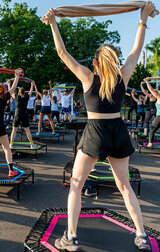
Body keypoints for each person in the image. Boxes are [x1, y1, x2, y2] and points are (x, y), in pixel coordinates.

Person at [42, 2, 155, 251]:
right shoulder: (123, 75)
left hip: (96, 132)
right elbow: (137, 48)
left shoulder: (87, 77)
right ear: (114, 61)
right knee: (124, 187)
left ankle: (70, 238)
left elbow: (62, 53)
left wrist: (53, 23)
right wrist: (143, 18)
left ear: (95, 63)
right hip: (117, 130)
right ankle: (142, 236)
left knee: (76, 184)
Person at [9, 79, 36, 148]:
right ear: (24, 92)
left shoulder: (17, 97)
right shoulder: (26, 97)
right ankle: (32, 144)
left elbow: (11, 91)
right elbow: (30, 92)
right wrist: (32, 85)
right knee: (27, 130)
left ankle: (11, 144)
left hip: (17, 115)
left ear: (19, 92)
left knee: (14, 130)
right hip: (24, 115)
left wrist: (9, 84)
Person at [144, 77, 160, 149]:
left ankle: (150, 144)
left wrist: (147, 81)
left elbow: (151, 90)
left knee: (152, 130)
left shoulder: (159, 97)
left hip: (159, 117)